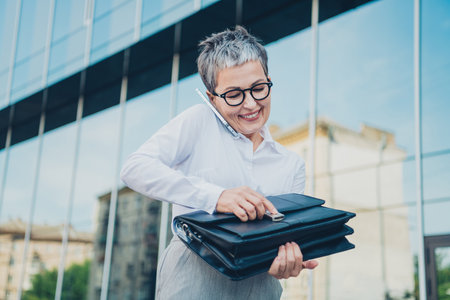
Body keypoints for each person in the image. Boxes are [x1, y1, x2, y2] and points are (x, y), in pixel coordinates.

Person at [120, 25, 318, 300]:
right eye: (234, 94)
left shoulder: (292, 164)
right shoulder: (199, 122)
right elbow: (134, 168)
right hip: (194, 274)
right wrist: (216, 196)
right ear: (212, 99)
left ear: (268, 81)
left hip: (259, 285)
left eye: (259, 89)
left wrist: (292, 258)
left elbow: (287, 240)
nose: (250, 104)